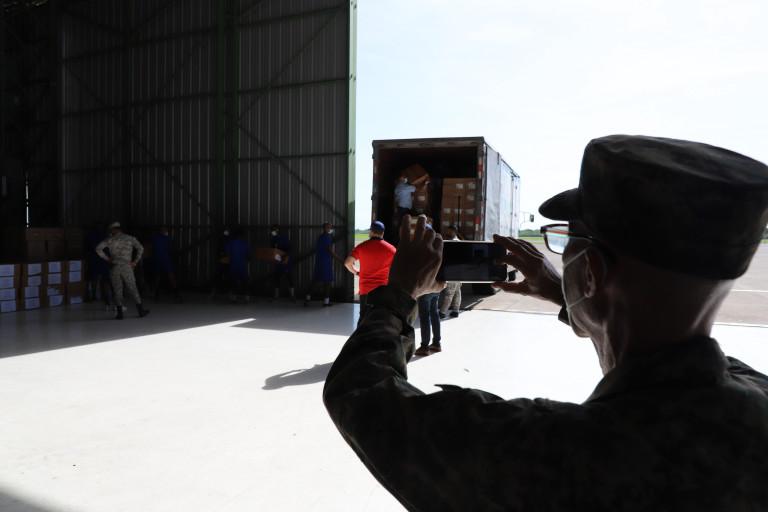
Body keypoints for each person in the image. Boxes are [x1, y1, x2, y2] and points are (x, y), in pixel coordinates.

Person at [323, 135, 768, 510]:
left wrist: (400, 293)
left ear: (590, 270)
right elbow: (678, 359)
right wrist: (569, 294)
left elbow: (359, 393)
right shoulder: (754, 405)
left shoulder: (554, 453)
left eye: (567, 239)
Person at [344, 220, 396, 325]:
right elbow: (398, 268)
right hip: (382, 289)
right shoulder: (391, 249)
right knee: (381, 318)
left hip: (365, 289)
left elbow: (347, 263)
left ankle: (360, 336)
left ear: (371, 232)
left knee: (364, 316)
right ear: (383, 233)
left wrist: (357, 272)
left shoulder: (362, 246)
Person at [95, 222, 150, 320]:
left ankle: (120, 314)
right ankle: (141, 310)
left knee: (117, 289)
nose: (110, 232)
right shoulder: (130, 238)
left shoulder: (110, 239)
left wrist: (107, 258)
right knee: (132, 288)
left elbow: (98, 248)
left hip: (114, 266)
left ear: (114, 230)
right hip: (126, 266)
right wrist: (135, 261)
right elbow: (141, 248)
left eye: (111, 231)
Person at [305, 222, 344, 307]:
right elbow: (330, 252)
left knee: (315, 280)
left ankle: (307, 298)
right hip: (325, 263)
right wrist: (341, 260)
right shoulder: (326, 238)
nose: (331, 229)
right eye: (330, 228)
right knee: (327, 282)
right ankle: (326, 302)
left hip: (319, 262)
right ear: (325, 228)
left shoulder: (320, 237)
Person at [150, 226, 182, 303]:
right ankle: (176, 295)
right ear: (163, 231)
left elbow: (149, 246)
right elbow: (171, 248)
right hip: (165, 259)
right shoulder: (167, 238)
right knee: (171, 276)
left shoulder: (154, 238)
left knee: (157, 277)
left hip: (156, 259)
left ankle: (156, 295)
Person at [85, 222, 112, 310]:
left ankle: (94, 297)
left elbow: (87, 248)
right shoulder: (106, 236)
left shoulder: (90, 235)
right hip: (104, 260)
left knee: (94, 278)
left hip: (94, 259)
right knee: (106, 281)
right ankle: (107, 302)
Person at [438, 225, 462, 318]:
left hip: (452, 272)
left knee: (449, 293)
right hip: (459, 272)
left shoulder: (451, 243)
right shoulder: (460, 242)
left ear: (453, 232)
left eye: (448, 232)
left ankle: (442, 312)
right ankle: (456, 311)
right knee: (457, 292)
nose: (447, 233)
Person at [225, 226, 251, 304]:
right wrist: (246, 262)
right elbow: (248, 255)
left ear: (235, 234)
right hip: (242, 265)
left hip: (233, 264)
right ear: (242, 235)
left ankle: (234, 299)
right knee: (245, 282)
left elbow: (227, 253)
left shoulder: (231, 243)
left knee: (234, 282)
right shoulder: (245, 243)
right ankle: (247, 299)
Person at [270, 224, 295, 302]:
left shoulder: (283, 238)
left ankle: (292, 295)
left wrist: (284, 256)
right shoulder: (273, 239)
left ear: (277, 230)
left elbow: (290, 248)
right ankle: (276, 295)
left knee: (289, 277)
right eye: (271, 230)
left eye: (273, 229)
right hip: (278, 260)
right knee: (277, 277)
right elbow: (273, 249)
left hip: (286, 260)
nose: (272, 231)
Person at [208, 225, 232, 301]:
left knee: (230, 277)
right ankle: (214, 292)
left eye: (228, 230)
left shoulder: (230, 239)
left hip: (229, 261)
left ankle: (230, 294)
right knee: (218, 276)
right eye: (226, 230)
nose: (227, 231)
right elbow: (220, 249)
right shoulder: (222, 239)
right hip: (223, 261)